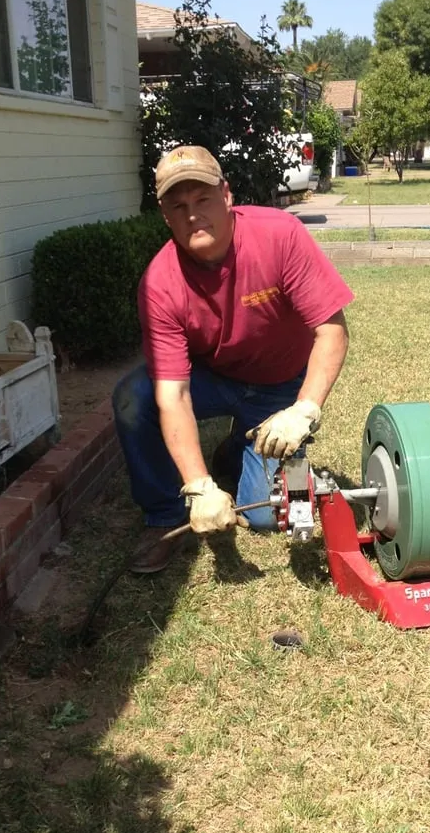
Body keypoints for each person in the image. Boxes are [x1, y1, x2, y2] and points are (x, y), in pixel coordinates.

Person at [112, 144, 354, 573]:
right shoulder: (159, 284)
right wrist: (197, 486)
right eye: (178, 205)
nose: (192, 214)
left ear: (226, 196)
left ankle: (237, 448)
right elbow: (173, 394)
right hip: (215, 376)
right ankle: (163, 515)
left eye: (202, 198)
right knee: (134, 396)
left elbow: (331, 330)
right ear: (165, 215)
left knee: (264, 518)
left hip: (279, 383)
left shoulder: (279, 235)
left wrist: (305, 409)